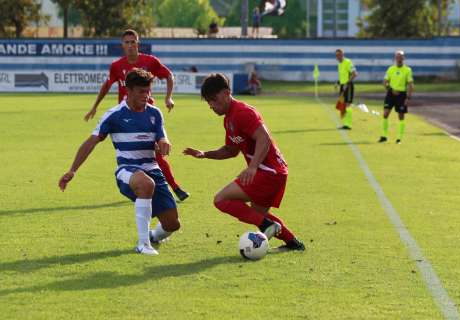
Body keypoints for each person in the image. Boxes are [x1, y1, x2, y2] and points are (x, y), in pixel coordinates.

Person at [59, 69, 181, 255]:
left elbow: (162, 138)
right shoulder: (114, 114)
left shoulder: (155, 113)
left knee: (172, 224)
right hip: (127, 170)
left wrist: (164, 143)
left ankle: (153, 236)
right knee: (146, 184)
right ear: (128, 91)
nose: (146, 95)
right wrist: (72, 170)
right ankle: (143, 244)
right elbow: (90, 142)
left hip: (152, 169)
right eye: (141, 91)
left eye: (148, 91)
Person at [183, 73, 305, 251]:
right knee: (258, 214)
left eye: (213, 100)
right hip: (274, 172)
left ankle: (266, 227)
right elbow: (230, 151)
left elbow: (264, 138)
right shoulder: (229, 119)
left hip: (268, 172)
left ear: (226, 93)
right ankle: (294, 244)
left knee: (221, 199)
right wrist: (205, 154)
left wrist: (253, 167)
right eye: (208, 101)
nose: (211, 105)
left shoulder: (242, 112)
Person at [84, 29, 189, 201]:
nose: (131, 45)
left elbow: (168, 75)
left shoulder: (150, 61)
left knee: (155, 154)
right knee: (141, 157)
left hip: (147, 115)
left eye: (133, 42)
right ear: (122, 45)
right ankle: (156, 188)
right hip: (125, 119)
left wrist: (168, 97)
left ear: (138, 44)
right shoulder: (117, 66)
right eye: (127, 42)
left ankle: (172, 188)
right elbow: (107, 85)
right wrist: (95, 106)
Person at [379, 51, 414, 144]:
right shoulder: (390, 69)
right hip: (391, 93)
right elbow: (384, 82)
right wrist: (390, 89)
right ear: (395, 58)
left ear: (403, 58)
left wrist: (408, 97)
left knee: (401, 116)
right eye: (397, 57)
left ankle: (399, 138)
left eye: (401, 57)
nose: (399, 59)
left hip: (401, 95)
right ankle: (384, 136)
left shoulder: (407, 70)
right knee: (385, 114)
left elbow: (410, 85)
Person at [335, 49, 358, 130]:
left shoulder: (348, 62)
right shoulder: (339, 64)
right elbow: (342, 76)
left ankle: (348, 125)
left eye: (339, 55)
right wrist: (338, 83)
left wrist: (347, 83)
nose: (338, 57)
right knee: (343, 105)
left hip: (348, 86)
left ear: (342, 54)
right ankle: (345, 124)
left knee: (348, 104)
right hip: (342, 86)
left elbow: (355, 74)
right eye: (336, 55)